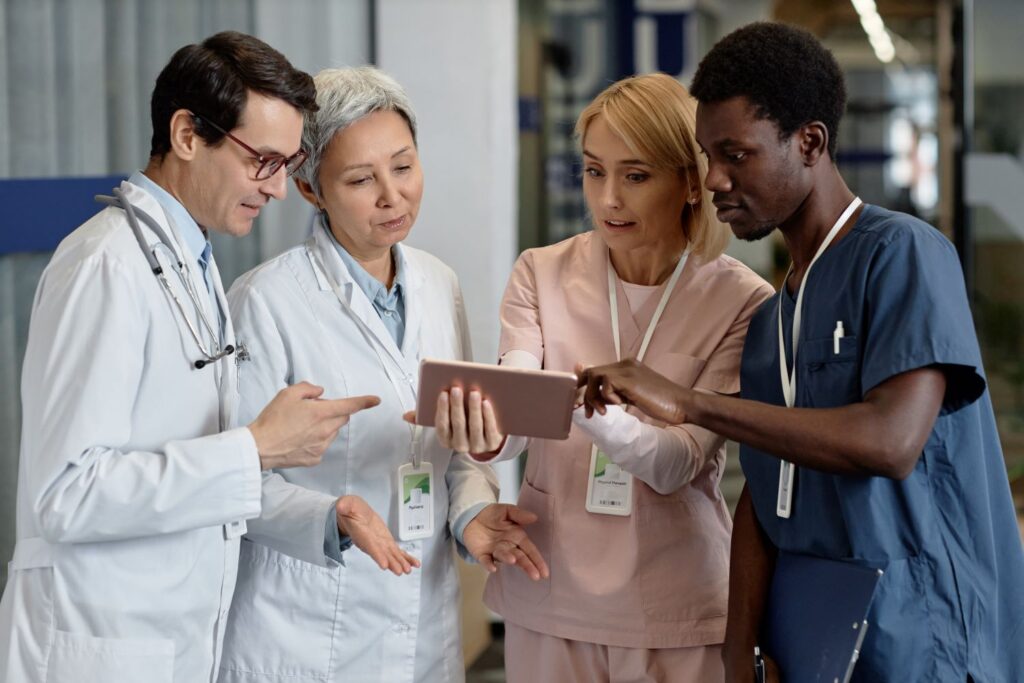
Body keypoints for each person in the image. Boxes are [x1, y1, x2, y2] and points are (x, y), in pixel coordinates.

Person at [577, 22, 1024, 683]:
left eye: (737, 154)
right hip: (818, 639)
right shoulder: (773, 313)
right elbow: (763, 492)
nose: (716, 180)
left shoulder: (902, 256)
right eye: (707, 157)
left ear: (809, 142)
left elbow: (890, 440)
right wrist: (740, 647)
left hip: (924, 634)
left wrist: (692, 403)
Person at [0, 32, 382, 683]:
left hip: (167, 636)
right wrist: (254, 447)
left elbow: (186, 468)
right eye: (263, 160)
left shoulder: (188, 260)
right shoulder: (106, 266)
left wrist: (302, 493)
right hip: (99, 640)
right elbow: (65, 493)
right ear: (185, 134)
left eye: (288, 165)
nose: (280, 190)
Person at [216, 66, 545, 683]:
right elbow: (231, 478)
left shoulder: (437, 282)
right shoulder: (265, 301)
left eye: (404, 166)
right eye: (362, 179)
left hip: (422, 625)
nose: (393, 195)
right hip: (303, 628)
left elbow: (460, 445)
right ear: (310, 189)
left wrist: (472, 514)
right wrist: (330, 515)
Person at [445, 73, 772, 682]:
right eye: (595, 171)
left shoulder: (741, 301)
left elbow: (676, 464)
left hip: (677, 604)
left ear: (690, 182)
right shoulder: (539, 273)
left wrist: (582, 408)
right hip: (550, 587)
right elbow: (513, 424)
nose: (608, 199)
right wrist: (482, 428)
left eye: (636, 175)